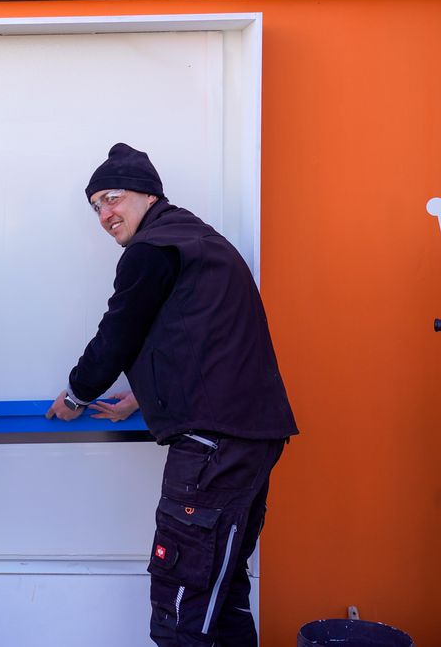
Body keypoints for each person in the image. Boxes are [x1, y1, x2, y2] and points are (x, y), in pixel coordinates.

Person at [46, 143, 298, 647]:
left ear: (148, 194)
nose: (104, 214)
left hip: (213, 445)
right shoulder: (197, 241)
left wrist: (75, 395)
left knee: (181, 603)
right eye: (95, 206)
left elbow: (118, 332)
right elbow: (196, 333)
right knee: (220, 595)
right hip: (249, 437)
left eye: (112, 199)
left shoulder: (152, 249)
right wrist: (141, 397)